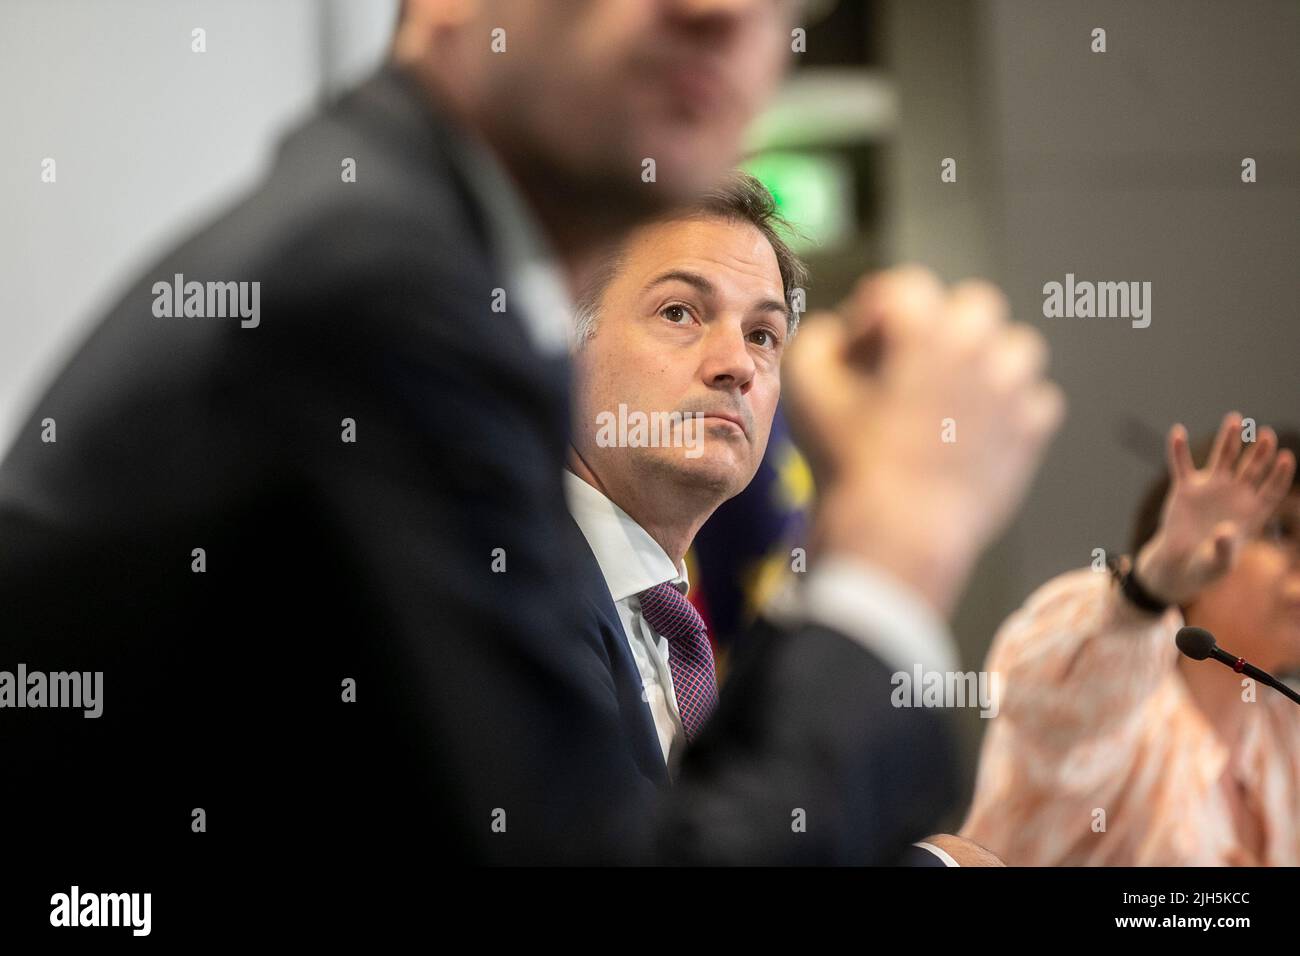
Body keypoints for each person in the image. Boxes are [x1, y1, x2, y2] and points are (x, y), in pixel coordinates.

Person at [0, 0, 1061, 867]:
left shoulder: (383, 243)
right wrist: (895, 547)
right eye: (680, 311)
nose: (728, 15)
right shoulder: (383, 291)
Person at [566, 170, 1009, 865]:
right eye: (679, 312)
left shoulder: (670, 621)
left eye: (764, 334)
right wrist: (885, 567)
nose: (736, 363)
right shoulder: (493, 585)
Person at [962, 413, 1299, 865]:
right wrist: (1149, 587)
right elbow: (1041, 703)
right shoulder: (1111, 709)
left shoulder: (1284, 729)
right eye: (1281, 531)